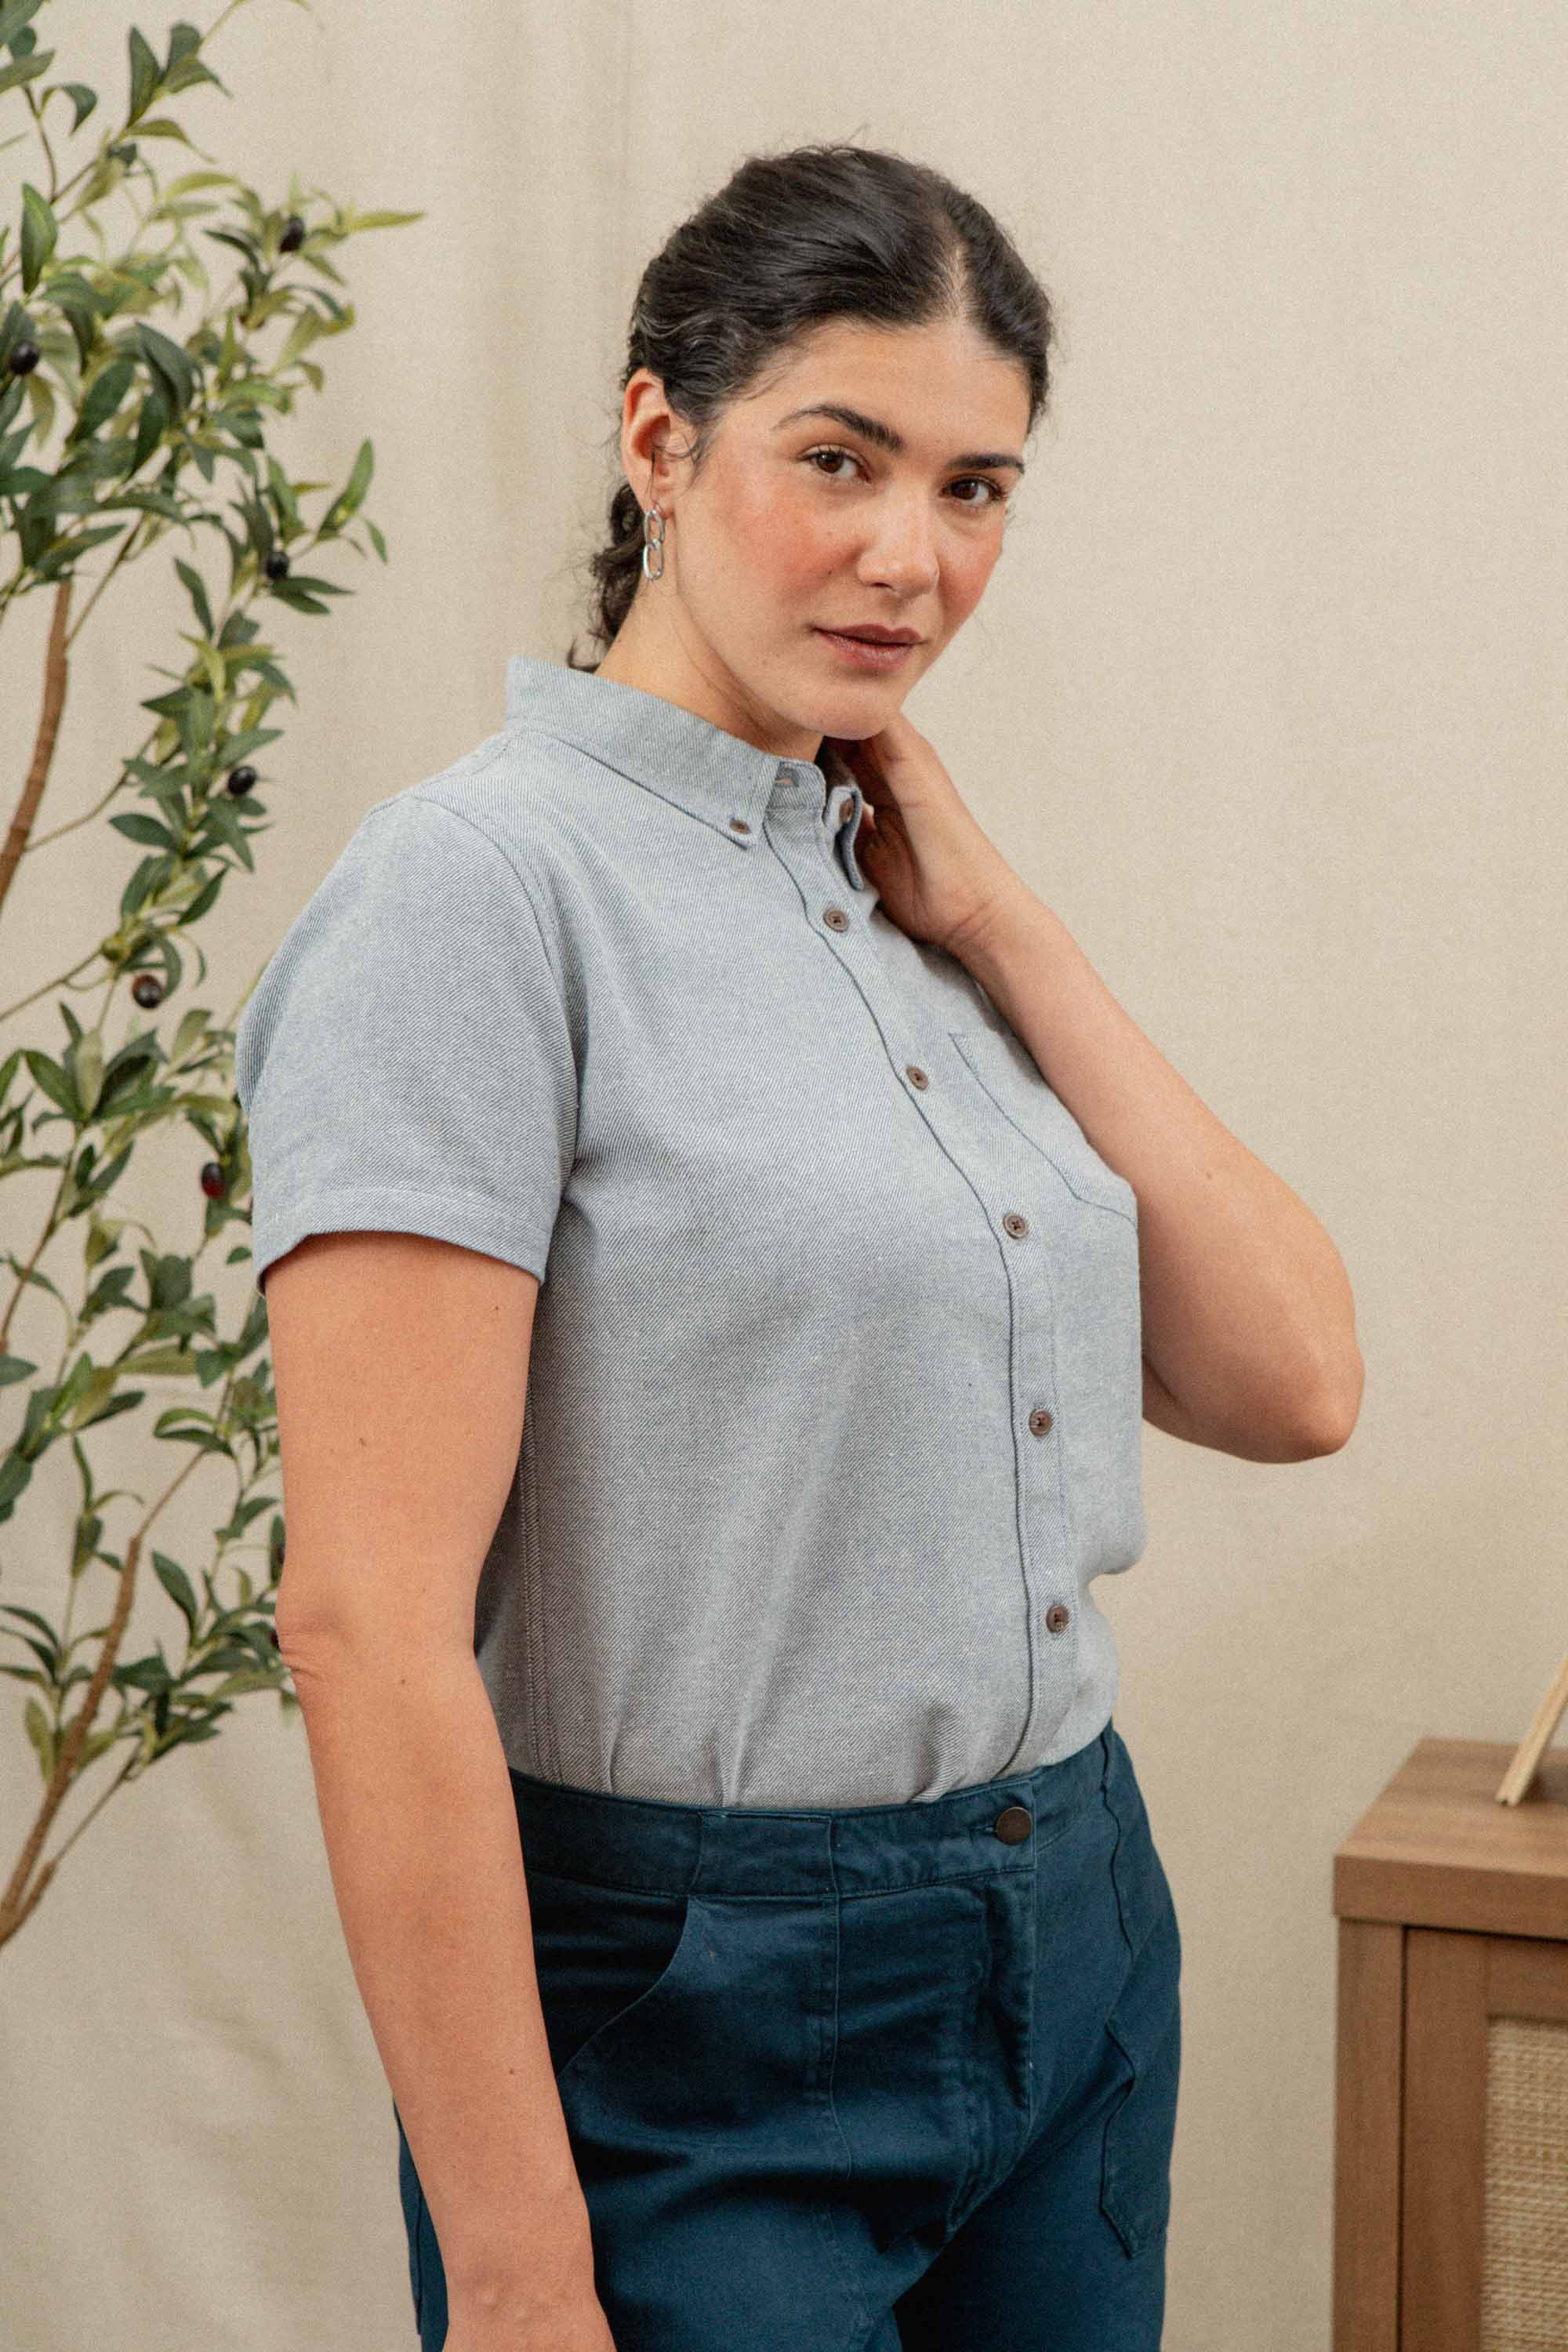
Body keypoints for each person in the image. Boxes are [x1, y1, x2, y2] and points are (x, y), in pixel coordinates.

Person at [236, 141, 1362, 2352]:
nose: (906, 555)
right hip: (693, 2015)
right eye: (834, 459)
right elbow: (368, 1622)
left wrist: (1006, 917)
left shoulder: (899, 889)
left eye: (976, 487)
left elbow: (1295, 1383)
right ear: (658, 435)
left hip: (1070, 1937)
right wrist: (516, 2273)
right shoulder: (478, 897)